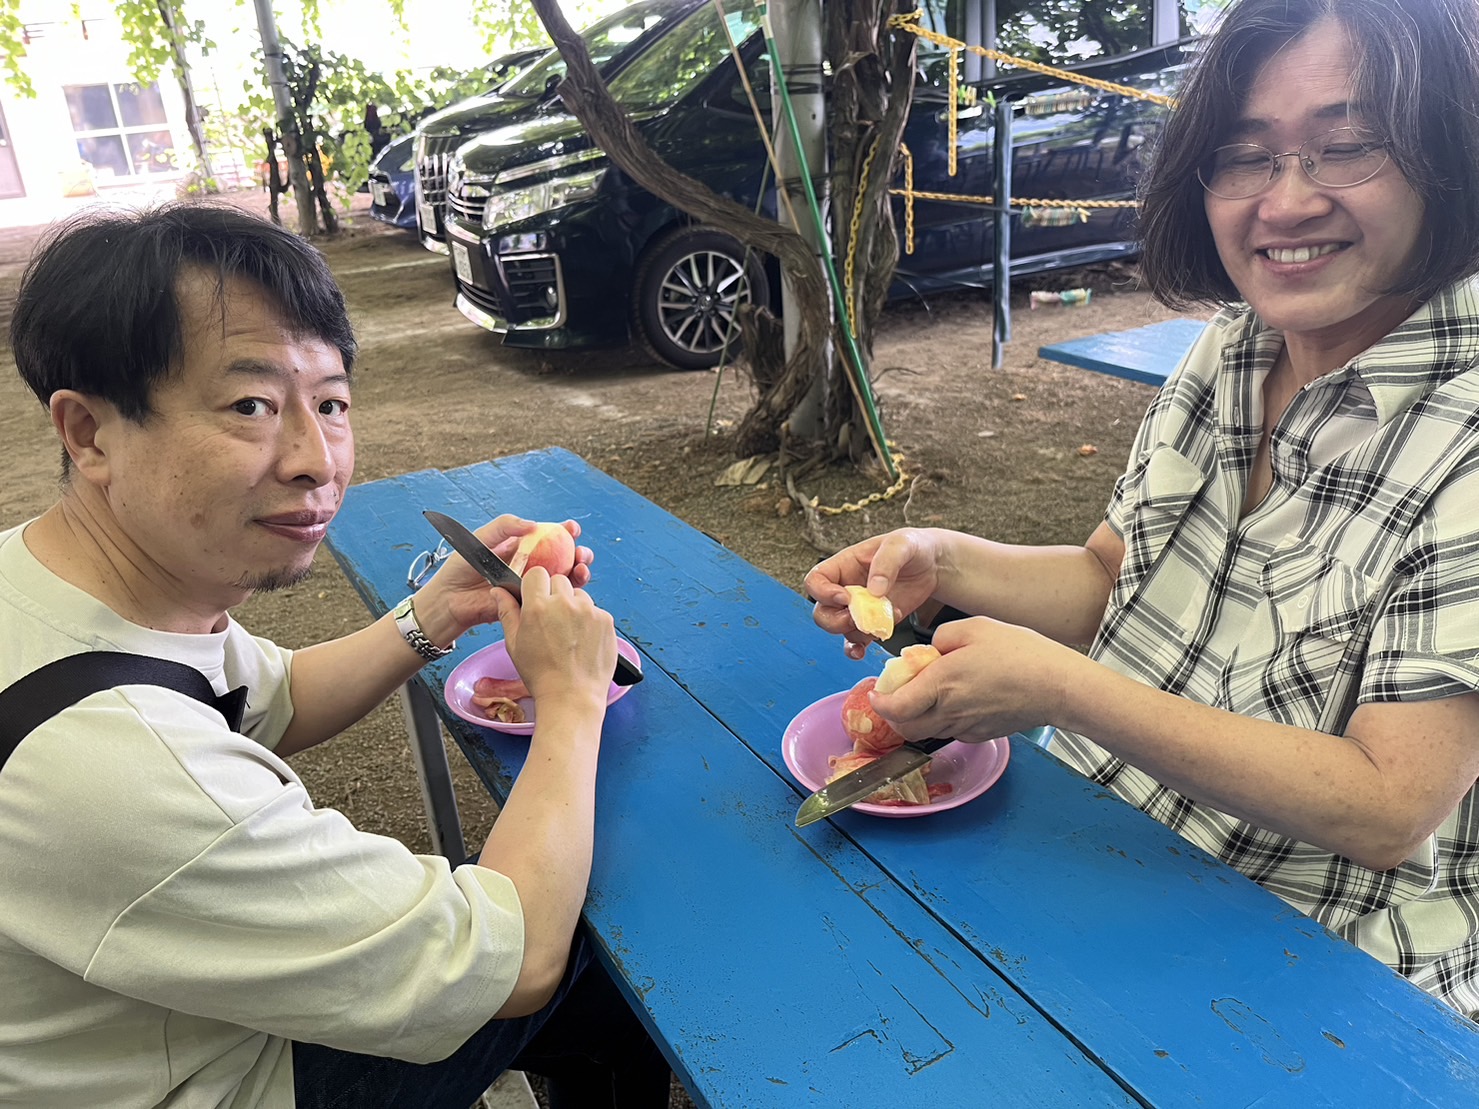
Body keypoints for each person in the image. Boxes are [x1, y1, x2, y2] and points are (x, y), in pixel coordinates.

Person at [806, 0, 1479, 1018]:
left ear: (1447, 156)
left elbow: (1391, 804)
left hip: (1315, 963)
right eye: (1247, 156)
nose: (1286, 202)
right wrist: (942, 557)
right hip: (1107, 841)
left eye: (1345, 147)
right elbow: (1115, 575)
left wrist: (1067, 692)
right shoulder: (1234, 346)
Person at [0, 203, 670, 1108]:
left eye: (330, 403)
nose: (317, 459)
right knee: (593, 935)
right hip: (217, 1077)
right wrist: (573, 700)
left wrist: (431, 615)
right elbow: (506, 962)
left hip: (149, 1016)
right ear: (88, 433)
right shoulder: (116, 764)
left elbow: (272, 694)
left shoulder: (62, 585)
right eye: (251, 406)